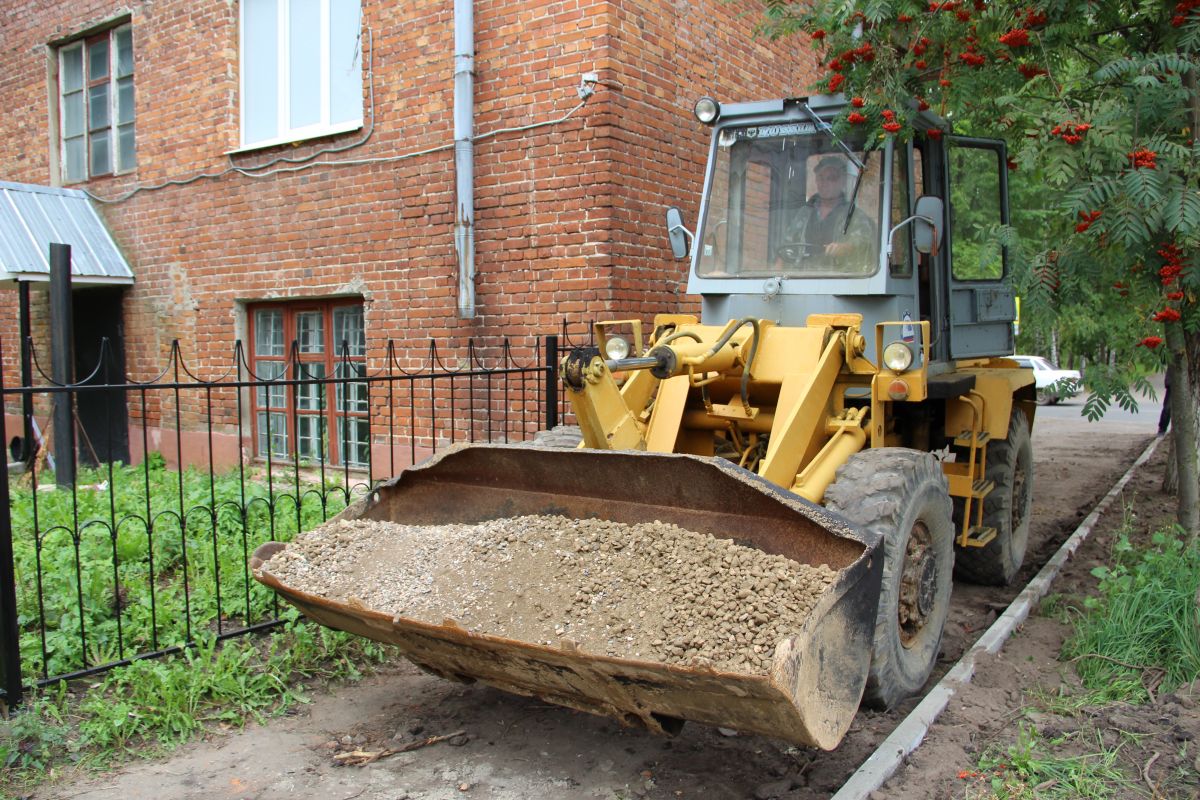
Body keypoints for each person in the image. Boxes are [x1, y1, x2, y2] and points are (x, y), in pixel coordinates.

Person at [775, 155, 875, 268]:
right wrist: (778, 269)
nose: (824, 183)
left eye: (831, 178)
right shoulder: (805, 213)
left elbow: (864, 244)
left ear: (842, 182)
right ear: (816, 180)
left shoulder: (854, 214)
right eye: (821, 178)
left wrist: (845, 247)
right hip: (803, 278)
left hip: (840, 279)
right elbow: (787, 243)